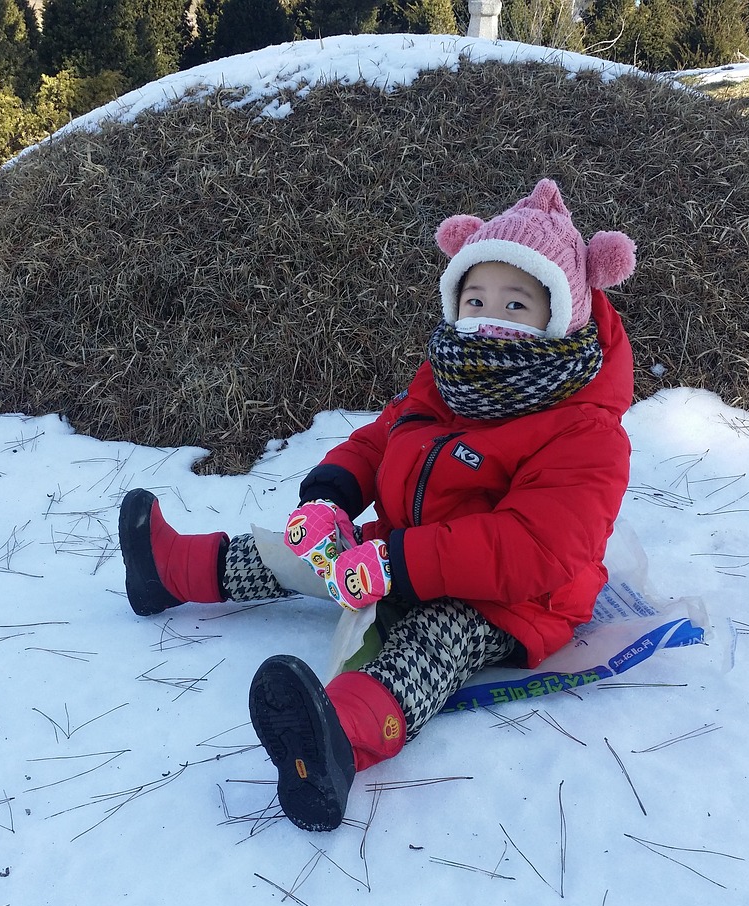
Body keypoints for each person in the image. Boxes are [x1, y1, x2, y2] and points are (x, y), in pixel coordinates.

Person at [117, 179, 636, 832]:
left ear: (562, 316)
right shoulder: (450, 377)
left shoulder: (583, 430)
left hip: (508, 600)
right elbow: (382, 438)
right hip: (401, 551)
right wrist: (331, 496)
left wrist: (398, 562)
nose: (489, 316)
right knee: (298, 553)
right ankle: (168, 571)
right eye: (475, 298)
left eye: (516, 301)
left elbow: (536, 551)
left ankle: (334, 741)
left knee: (432, 641)